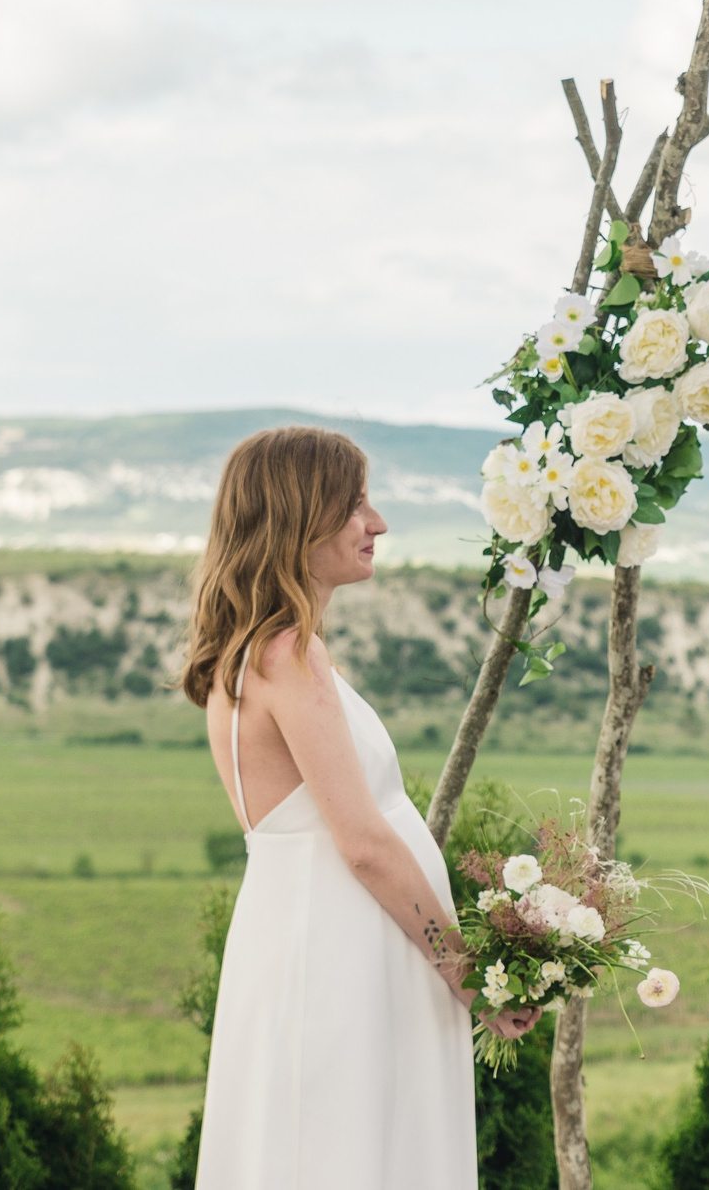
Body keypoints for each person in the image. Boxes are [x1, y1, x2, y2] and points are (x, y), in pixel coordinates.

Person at [183, 425, 535, 1188]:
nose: (376, 524)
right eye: (354, 506)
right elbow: (363, 842)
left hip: (321, 939)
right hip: (339, 957)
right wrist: (466, 971)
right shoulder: (287, 654)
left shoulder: (257, 651)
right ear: (296, 517)